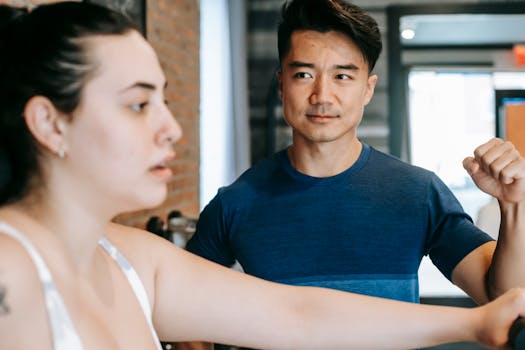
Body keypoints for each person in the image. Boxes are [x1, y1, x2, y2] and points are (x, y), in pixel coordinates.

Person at [1, 2, 525, 350]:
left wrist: (477, 313)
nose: (172, 127)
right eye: (139, 103)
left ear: (367, 87)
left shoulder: (139, 259)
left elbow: (299, 316)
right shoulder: (11, 267)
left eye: (343, 76)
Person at [186, 0, 525, 307]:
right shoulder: (236, 203)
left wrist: (513, 206)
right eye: (303, 74)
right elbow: (184, 303)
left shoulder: (419, 193)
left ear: (367, 89)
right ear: (281, 85)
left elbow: (503, 296)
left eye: (342, 76)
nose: (322, 95)